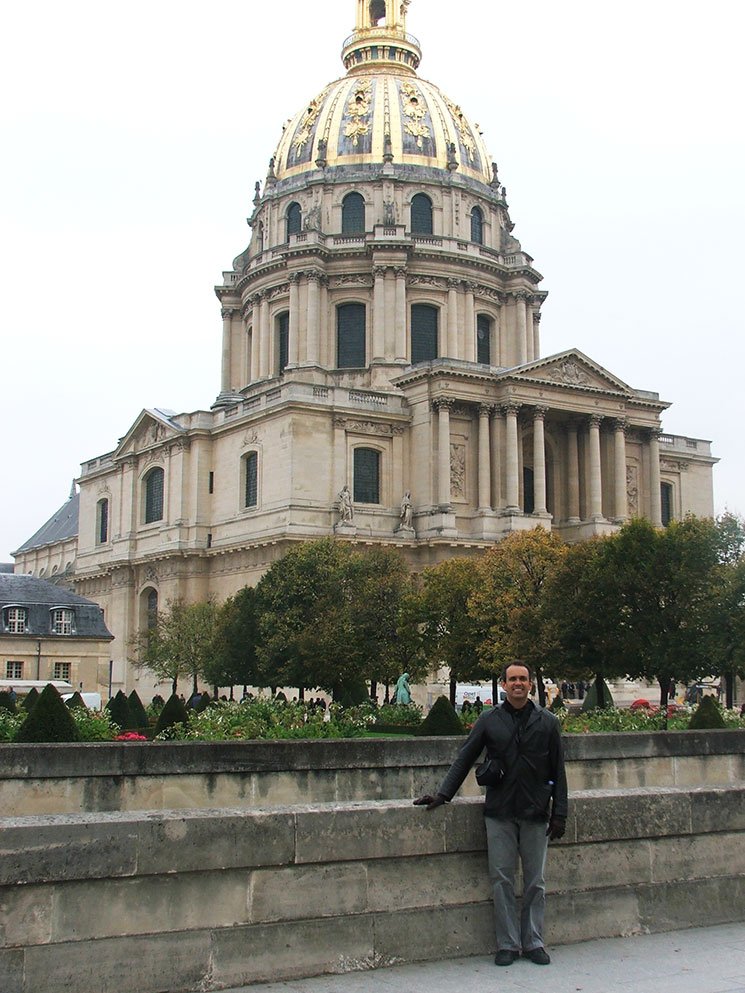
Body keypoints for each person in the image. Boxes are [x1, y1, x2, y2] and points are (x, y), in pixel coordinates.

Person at [414, 661, 567, 968]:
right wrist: (444, 795)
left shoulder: (548, 722)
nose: (518, 683)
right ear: (504, 684)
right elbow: (465, 758)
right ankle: (508, 944)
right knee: (502, 880)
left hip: (536, 810)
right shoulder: (489, 720)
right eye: (513, 679)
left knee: (536, 882)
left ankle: (534, 941)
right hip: (500, 811)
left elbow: (558, 771)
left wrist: (560, 813)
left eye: (523, 679)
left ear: (530, 685)